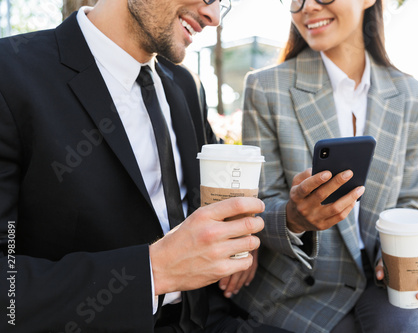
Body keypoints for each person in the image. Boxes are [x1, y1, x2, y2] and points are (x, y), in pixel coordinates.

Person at [0, 0, 291, 332]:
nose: (212, 18)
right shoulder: (10, 73)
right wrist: (155, 271)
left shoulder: (185, 85)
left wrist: (267, 223)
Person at [231, 0, 418, 332]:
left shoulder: (410, 94)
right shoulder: (266, 88)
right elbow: (259, 204)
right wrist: (294, 217)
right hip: (302, 287)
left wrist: (403, 255)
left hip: (385, 277)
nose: (307, 7)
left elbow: (413, 202)